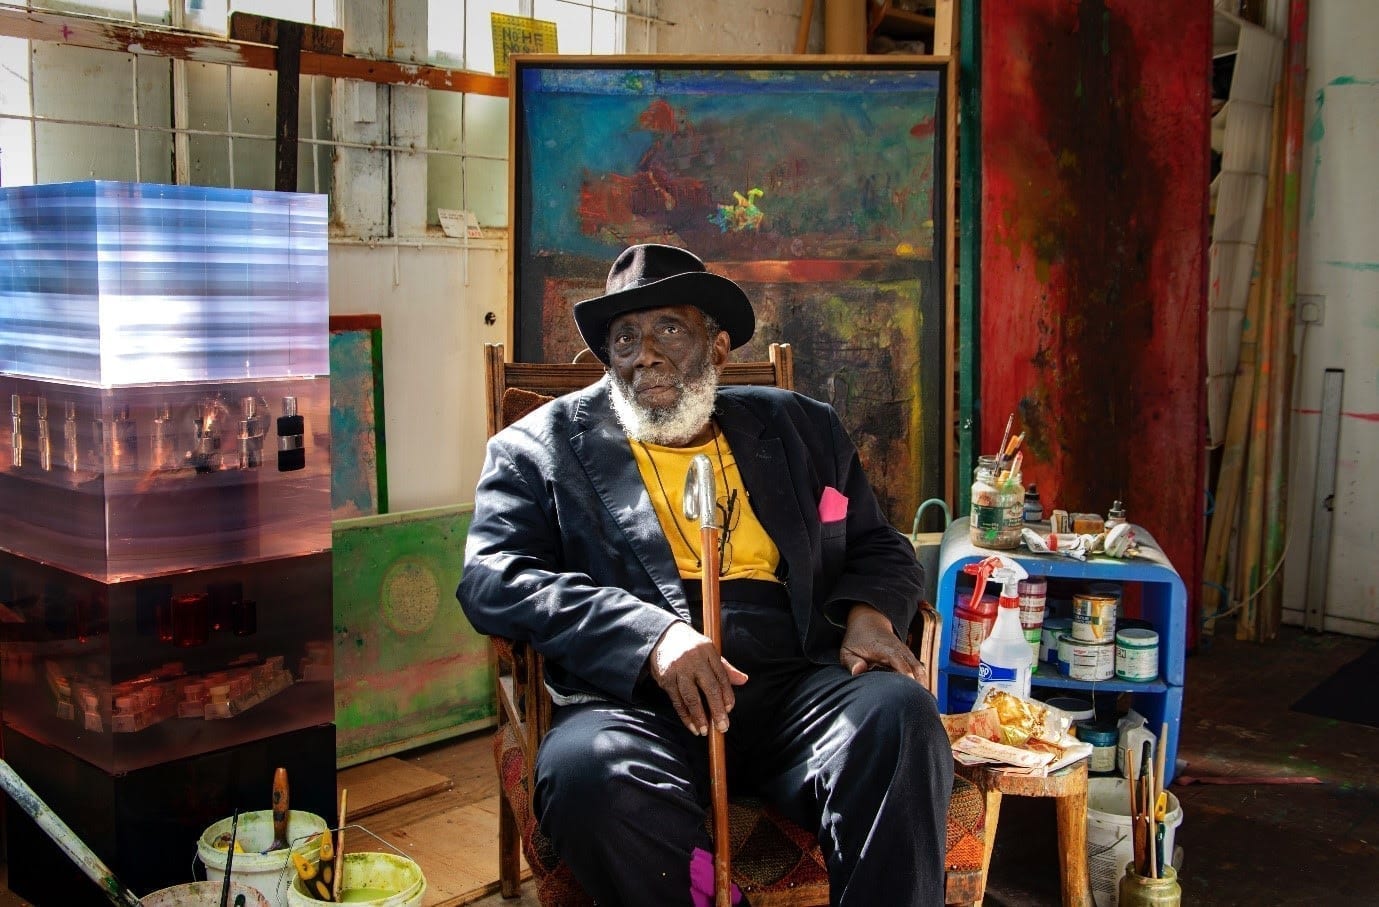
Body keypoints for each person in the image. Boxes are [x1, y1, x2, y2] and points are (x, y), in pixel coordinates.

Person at [458, 243, 953, 906]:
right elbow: (492, 576)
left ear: (718, 349)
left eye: (668, 328)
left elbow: (873, 541)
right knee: (584, 774)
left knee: (899, 716)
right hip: (635, 703)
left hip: (794, 689)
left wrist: (868, 612)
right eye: (624, 337)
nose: (645, 354)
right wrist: (650, 637)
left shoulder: (802, 429)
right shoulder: (537, 450)